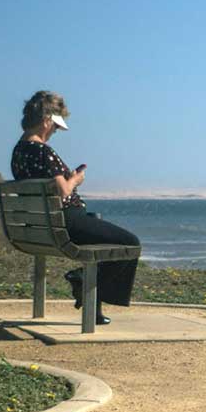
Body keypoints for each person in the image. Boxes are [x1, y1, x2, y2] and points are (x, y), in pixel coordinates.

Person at [11, 90, 140, 325]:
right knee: (130, 243)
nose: (55, 132)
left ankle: (91, 300)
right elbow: (63, 192)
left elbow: (47, 186)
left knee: (97, 222)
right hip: (66, 222)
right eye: (56, 126)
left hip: (42, 227)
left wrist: (66, 179)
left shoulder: (19, 151)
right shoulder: (43, 151)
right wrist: (76, 180)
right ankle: (84, 282)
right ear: (46, 120)